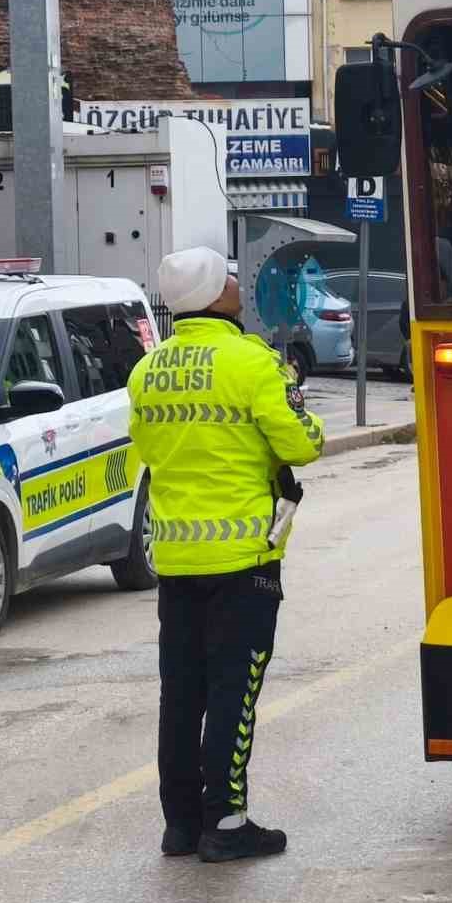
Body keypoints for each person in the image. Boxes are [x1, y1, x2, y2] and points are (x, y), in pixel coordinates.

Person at [129, 247, 326, 863]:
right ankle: (228, 822)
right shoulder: (253, 363)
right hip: (244, 558)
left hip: (177, 560)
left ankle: (181, 825)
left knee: (181, 694)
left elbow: (148, 451)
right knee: (233, 693)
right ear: (216, 295)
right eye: (231, 277)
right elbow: (303, 443)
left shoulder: (148, 371)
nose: (240, 284)